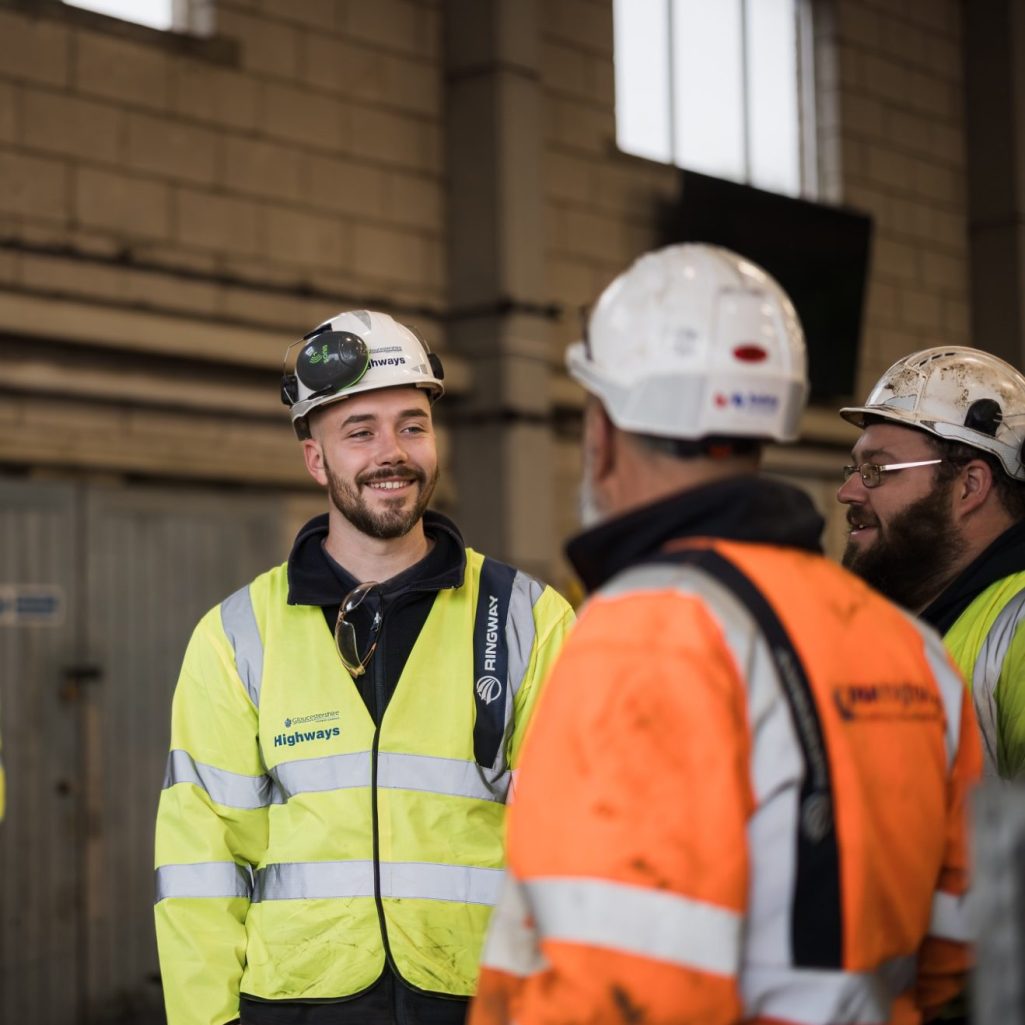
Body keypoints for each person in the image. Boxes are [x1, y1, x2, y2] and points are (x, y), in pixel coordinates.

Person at [469, 245, 980, 1025]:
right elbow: (951, 948)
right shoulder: (908, 648)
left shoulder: (640, 639)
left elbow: (613, 995)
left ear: (601, 431)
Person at [154, 310, 575, 1025]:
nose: (393, 452)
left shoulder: (531, 618)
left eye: (412, 425)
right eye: (361, 431)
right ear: (316, 460)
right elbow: (201, 865)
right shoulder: (234, 636)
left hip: (483, 1001)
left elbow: (576, 848)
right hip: (298, 1006)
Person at [837, 346, 1025, 779]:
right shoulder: (909, 624)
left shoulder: (1016, 626)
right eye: (853, 469)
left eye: (877, 472)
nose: (847, 492)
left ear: (969, 486)